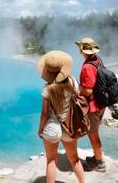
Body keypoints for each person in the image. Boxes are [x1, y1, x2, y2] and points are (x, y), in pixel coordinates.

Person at [37, 50, 86, 183]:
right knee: (74, 159)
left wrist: (40, 129)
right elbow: (78, 98)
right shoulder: (72, 81)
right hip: (69, 125)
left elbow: (45, 113)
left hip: (52, 127)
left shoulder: (48, 89)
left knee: (51, 161)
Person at [75, 37, 107, 172]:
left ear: (82, 50)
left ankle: (100, 164)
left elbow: (87, 90)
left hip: (93, 106)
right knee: (95, 133)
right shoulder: (97, 59)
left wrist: (78, 89)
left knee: (93, 135)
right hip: (102, 102)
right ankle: (96, 157)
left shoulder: (88, 66)